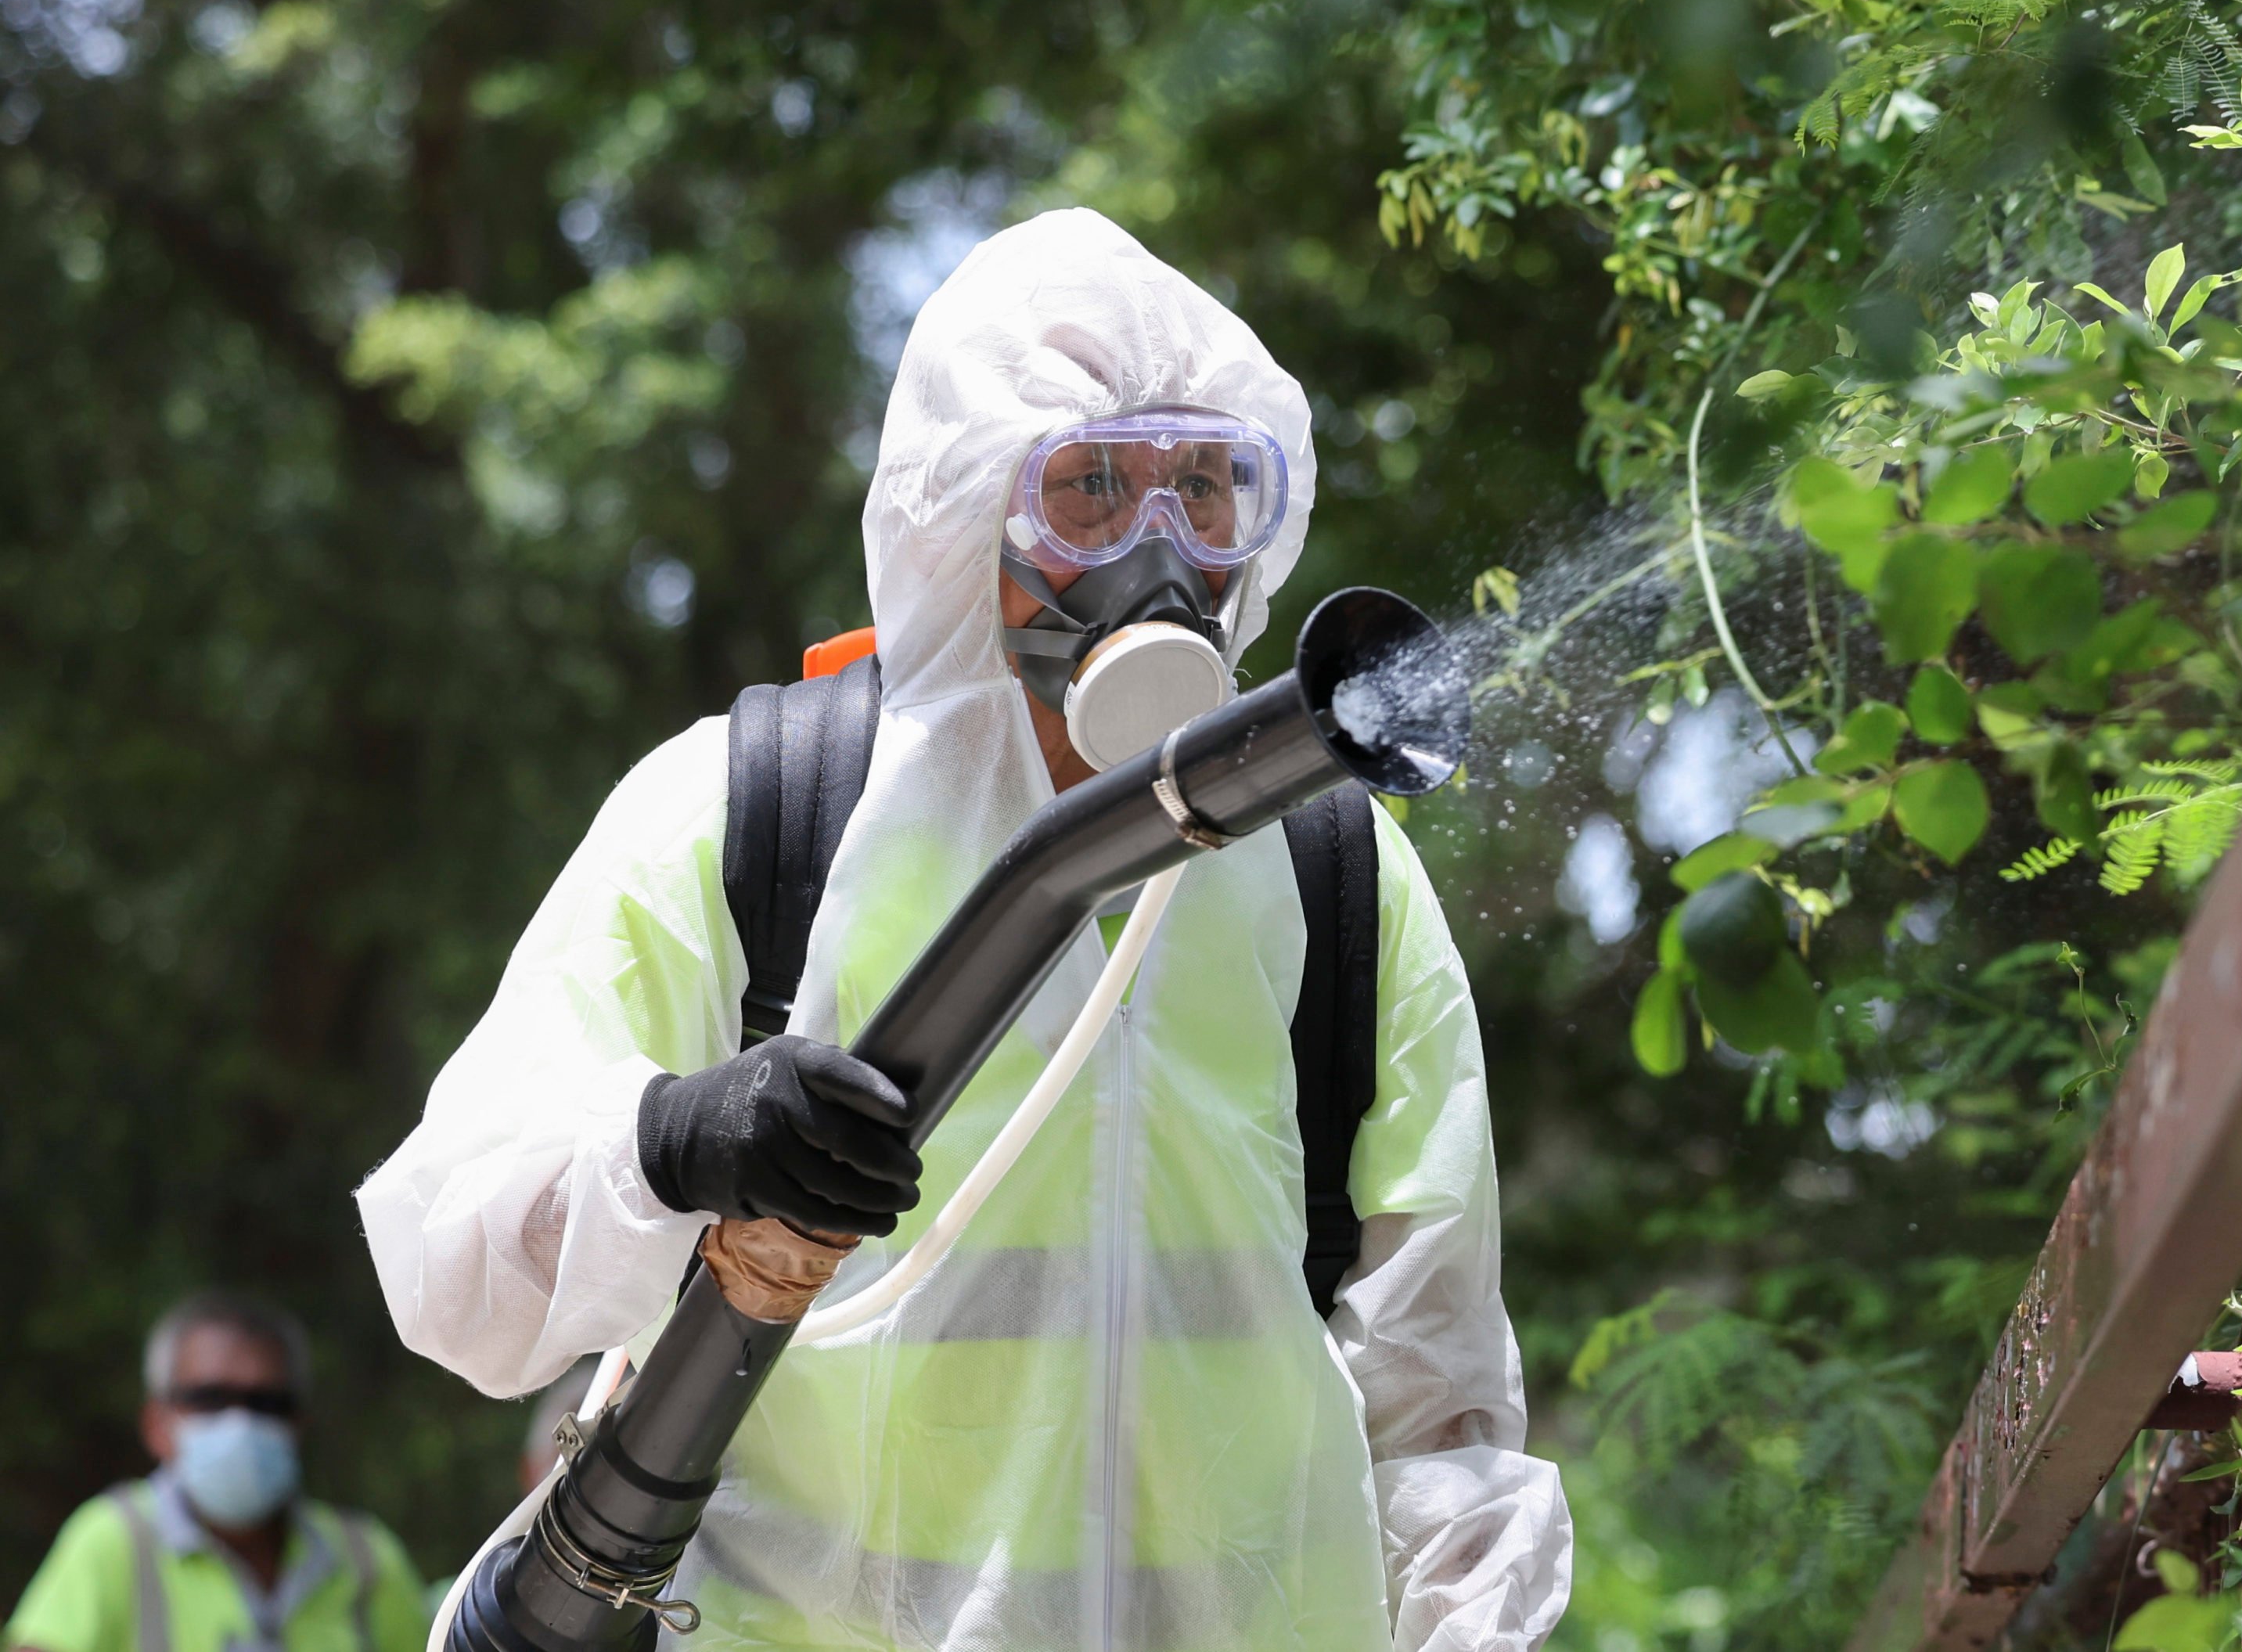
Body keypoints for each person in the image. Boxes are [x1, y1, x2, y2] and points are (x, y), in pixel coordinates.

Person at [357, 210, 1569, 1651]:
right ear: (963, 512)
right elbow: (451, 1262)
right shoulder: (758, 806)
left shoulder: (1326, 854)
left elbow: (1441, 1405)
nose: (1159, 550)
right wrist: (674, 1134)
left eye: (1206, 488)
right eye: (1093, 492)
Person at [5, 1292, 424, 1652]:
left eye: (266, 1403)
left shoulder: (368, 1559)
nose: (240, 1423)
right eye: (210, 1398)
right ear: (157, 1425)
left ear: (299, 1425)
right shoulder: (114, 1541)